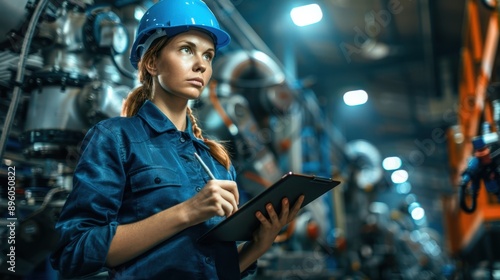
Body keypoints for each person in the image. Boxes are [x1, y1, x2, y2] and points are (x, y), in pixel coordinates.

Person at [50, 0, 304, 279]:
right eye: (187, 50)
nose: (201, 65)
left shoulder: (216, 161)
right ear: (152, 62)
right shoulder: (115, 138)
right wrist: (187, 212)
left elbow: (215, 271)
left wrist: (258, 244)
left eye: (208, 56)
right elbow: (73, 252)